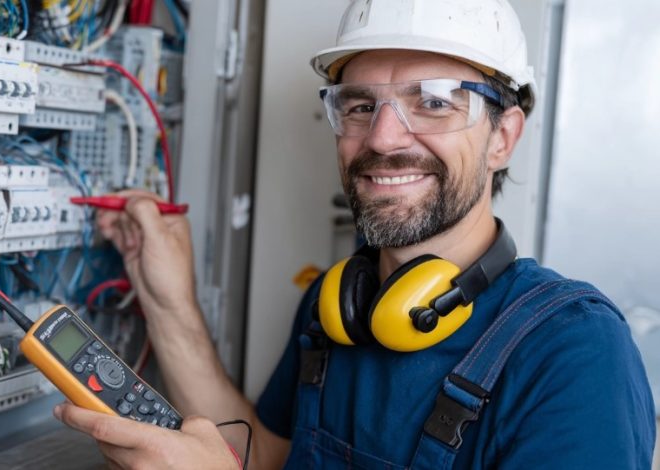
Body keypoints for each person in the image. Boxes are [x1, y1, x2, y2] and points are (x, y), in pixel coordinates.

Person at [55, 0, 657, 468]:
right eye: (360, 105)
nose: (383, 140)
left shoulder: (574, 354)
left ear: (502, 137)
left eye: (435, 103)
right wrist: (168, 301)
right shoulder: (334, 307)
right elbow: (261, 459)